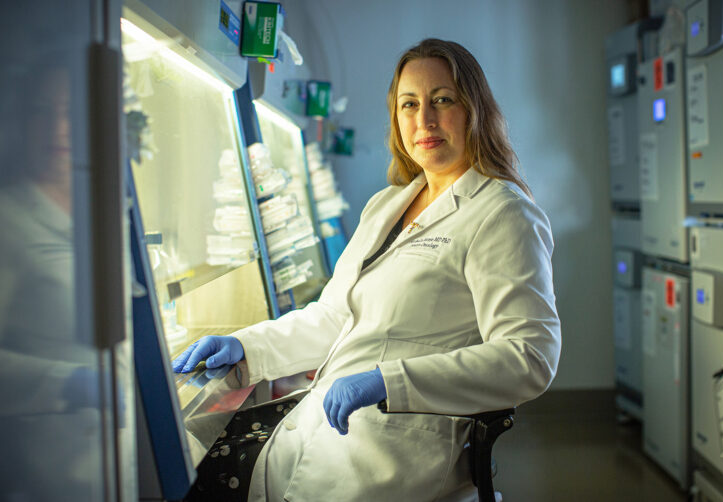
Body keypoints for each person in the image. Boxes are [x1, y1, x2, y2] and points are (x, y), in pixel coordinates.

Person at [173, 38, 561, 501]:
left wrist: (388, 381)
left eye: (442, 100)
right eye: (409, 104)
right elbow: (332, 318)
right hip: (326, 431)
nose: (425, 120)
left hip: (394, 452)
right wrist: (243, 345)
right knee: (196, 468)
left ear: (473, 109)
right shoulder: (387, 205)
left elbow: (529, 357)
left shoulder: (502, 212)